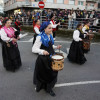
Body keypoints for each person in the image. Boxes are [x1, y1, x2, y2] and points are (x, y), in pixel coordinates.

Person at [32, 21, 62, 97]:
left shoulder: (50, 35)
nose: (51, 29)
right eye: (49, 28)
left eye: (51, 28)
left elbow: (50, 46)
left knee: (51, 73)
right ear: (44, 29)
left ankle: (49, 88)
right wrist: (42, 51)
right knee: (43, 74)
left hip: (51, 57)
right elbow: (34, 49)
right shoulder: (40, 36)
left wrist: (56, 47)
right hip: (43, 59)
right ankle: (40, 86)